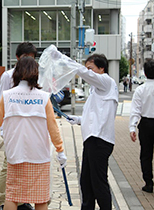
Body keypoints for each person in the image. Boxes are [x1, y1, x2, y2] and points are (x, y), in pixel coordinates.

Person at [0, 56, 67, 210]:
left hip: (15, 153)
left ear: (17, 72)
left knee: (12, 196)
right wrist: (60, 150)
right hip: (39, 155)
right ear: (36, 73)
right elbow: (52, 127)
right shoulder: (43, 97)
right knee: (40, 197)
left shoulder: (7, 96)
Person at [66, 54, 118, 210]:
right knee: (86, 181)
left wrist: (65, 60)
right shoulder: (97, 89)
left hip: (99, 141)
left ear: (101, 69)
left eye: (91, 69)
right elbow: (96, 115)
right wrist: (78, 119)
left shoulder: (107, 82)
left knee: (98, 182)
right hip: (93, 140)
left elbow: (84, 73)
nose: (88, 72)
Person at [0, 42, 37, 210]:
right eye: (26, 57)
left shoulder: (34, 75)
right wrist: (3, 129)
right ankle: (0, 202)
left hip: (28, 130)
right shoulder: (8, 75)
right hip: (13, 129)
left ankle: (21, 201)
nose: (29, 61)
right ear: (18, 57)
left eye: (32, 58)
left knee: (25, 167)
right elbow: (1, 102)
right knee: (9, 167)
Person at [129, 59, 154, 193]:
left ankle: (148, 182)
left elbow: (135, 110)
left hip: (146, 124)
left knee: (146, 154)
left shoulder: (140, 90)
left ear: (145, 72)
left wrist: (132, 128)